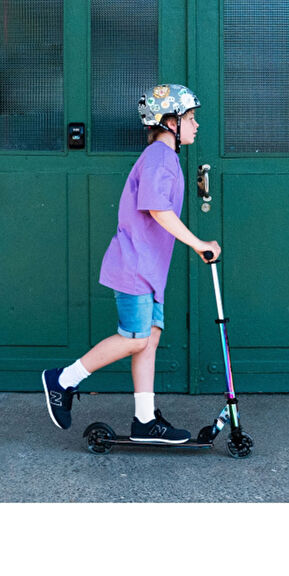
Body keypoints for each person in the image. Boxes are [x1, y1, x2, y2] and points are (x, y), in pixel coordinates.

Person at [42, 84, 221, 443]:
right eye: (190, 118)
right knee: (135, 338)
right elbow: (157, 209)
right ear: (170, 122)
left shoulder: (166, 157)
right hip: (135, 266)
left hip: (149, 268)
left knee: (148, 339)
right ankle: (63, 379)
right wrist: (198, 244)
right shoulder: (159, 157)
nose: (196, 124)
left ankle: (144, 420)